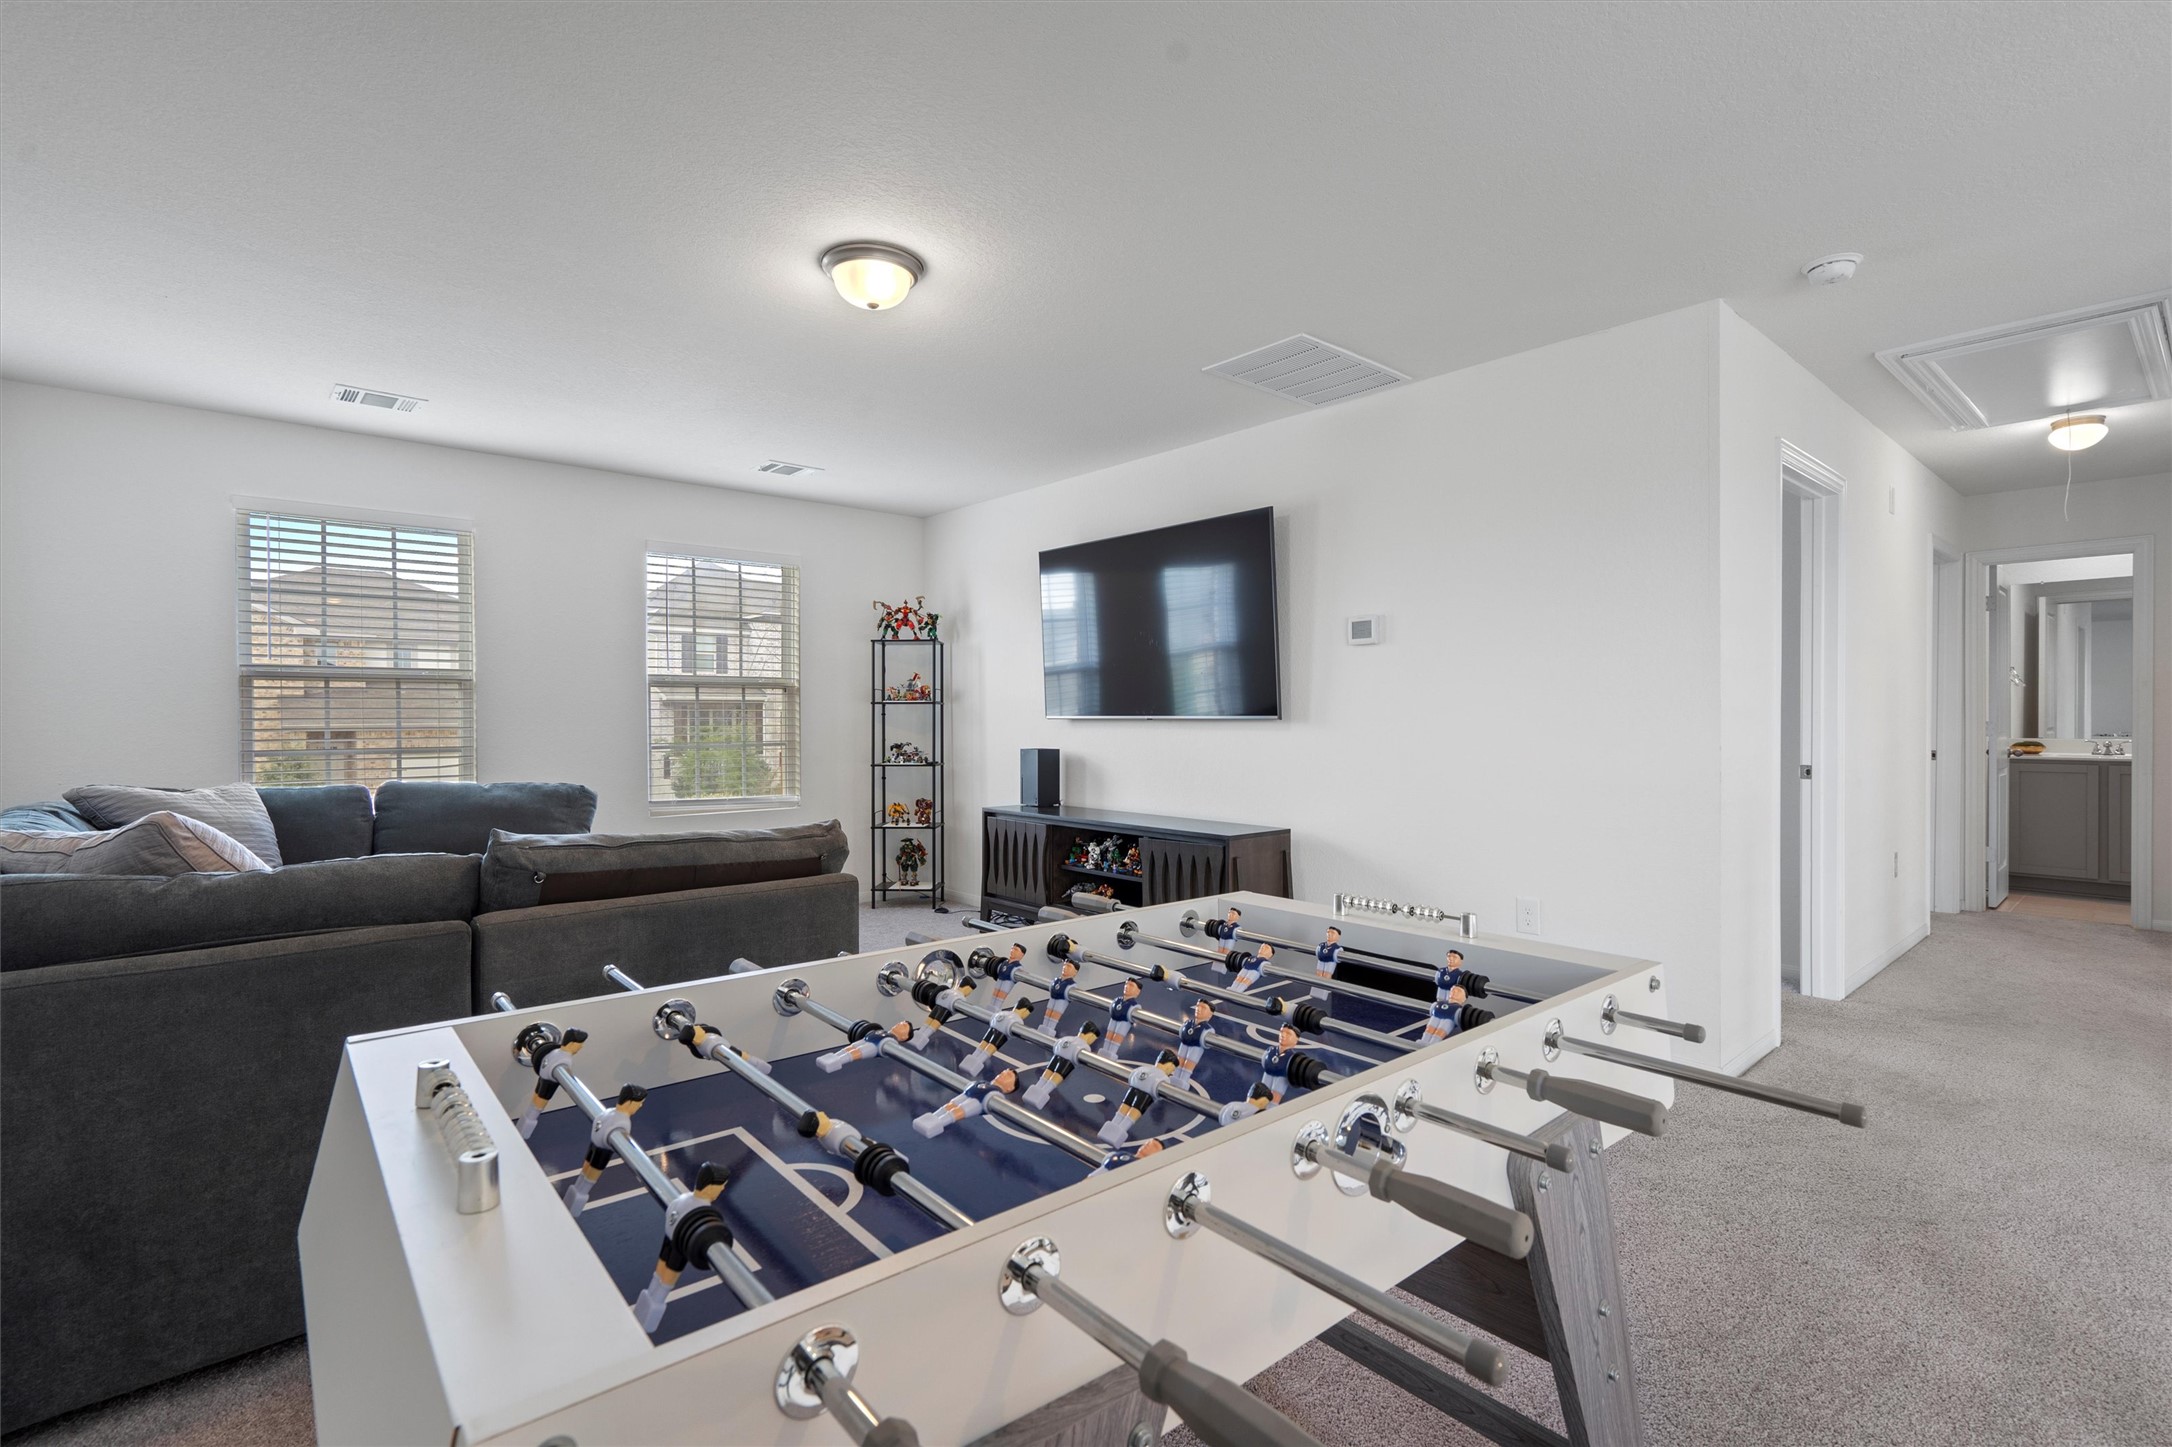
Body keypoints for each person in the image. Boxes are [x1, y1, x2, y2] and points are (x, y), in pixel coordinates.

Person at [631, 1161, 729, 1332]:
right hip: (680, 1241)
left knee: (660, 1272)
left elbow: (671, 1213)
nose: (722, 1189)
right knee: (668, 1276)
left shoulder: (682, 1199)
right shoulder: (704, 1210)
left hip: (670, 1236)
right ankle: (652, 1310)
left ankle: (647, 1305)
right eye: (721, 1185)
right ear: (710, 1187)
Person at [564, 1084, 647, 1214]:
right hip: (603, 1150)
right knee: (588, 1178)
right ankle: (575, 1203)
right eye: (639, 1103)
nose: (640, 1106)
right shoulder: (623, 1122)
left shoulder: (608, 1111)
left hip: (594, 1143)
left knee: (585, 1173)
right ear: (629, 1102)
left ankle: (573, 1197)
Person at [518, 1027, 587, 1139]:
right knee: (538, 1104)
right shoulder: (562, 1058)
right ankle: (522, 1132)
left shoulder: (561, 1055)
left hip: (547, 1074)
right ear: (571, 1044)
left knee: (536, 1102)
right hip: (550, 1078)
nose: (581, 1047)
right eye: (579, 1044)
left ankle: (523, 1130)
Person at [1098, 1051, 1178, 1145]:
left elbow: (1132, 1076)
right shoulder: (1164, 1078)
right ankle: (1120, 1130)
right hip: (1146, 1095)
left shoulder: (1143, 1068)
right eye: (1172, 1069)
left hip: (1133, 1089)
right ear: (1169, 1065)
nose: (1171, 1072)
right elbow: (1161, 1092)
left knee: (1123, 1109)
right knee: (1133, 1113)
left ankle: (1111, 1129)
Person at [913, 1068, 1019, 1138]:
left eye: (1008, 1076)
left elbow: (995, 1099)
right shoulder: (985, 1082)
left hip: (980, 1100)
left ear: (1010, 1088)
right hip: (970, 1092)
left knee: (960, 1110)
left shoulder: (996, 1094)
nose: (1002, 1074)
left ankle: (940, 1122)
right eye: (1003, 1073)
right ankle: (933, 1117)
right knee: (951, 1104)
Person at [1023, 1020, 1103, 1108]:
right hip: (1068, 1062)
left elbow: (1056, 1045)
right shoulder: (1085, 1046)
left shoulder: (1067, 1038)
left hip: (1056, 1057)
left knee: (1047, 1073)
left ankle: (1036, 1089)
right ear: (1091, 1035)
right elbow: (1082, 1058)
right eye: (1094, 1038)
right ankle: (1044, 1092)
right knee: (1056, 1077)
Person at [960, 999, 1036, 1080]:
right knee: (990, 1048)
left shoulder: (1004, 1012)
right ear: (1025, 1010)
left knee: (983, 1044)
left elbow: (993, 1017)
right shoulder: (1018, 1020)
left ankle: (971, 1060)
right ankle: (978, 1062)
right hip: (1003, 1033)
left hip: (993, 1027)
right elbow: (1021, 1032)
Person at [817, 1019, 913, 1072]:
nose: (899, 1024)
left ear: (904, 1036)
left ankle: (839, 1061)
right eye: (900, 1023)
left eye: (903, 1026)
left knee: (857, 1052)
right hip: (867, 1038)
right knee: (852, 1047)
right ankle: (834, 1056)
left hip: (876, 1046)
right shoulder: (885, 1032)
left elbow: (895, 1049)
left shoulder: (892, 1041)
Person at [1172, 998, 1216, 1088]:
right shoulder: (1188, 1023)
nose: (1198, 1009)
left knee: (1189, 1063)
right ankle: (1175, 1077)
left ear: (1210, 1014)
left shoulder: (1207, 1029)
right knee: (1180, 1061)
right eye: (1198, 1006)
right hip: (1184, 1043)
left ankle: (1183, 1080)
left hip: (1196, 1046)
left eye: (1203, 1008)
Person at [1257, 1024, 1300, 1103]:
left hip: (1281, 1077)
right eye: (1281, 1032)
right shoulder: (1270, 1051)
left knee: (1276, 1092)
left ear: (1296, 1040)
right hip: (1268, 1073)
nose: (1283, 1035)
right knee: (1262, 1089)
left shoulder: (1292, 1057)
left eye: (1288, 1034)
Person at [1104, 977, 1145, 1054]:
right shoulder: (1117, 1000)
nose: (1127, 987)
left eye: (1131, 985)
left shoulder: (1134, 1005)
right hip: (1113, 1019)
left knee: (1117, 1037)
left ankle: (1111, 1053)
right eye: (1126, 984)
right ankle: (1104, 1050)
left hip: (1124, 1021)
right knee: (1109, 1035)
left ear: (1138, 991)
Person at [1092, 1137, 1166, 1174]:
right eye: (1148, 1142)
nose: (1148, 1144)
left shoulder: (1144, 1173)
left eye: (1155, 1146)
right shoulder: (1118, 1155)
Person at [988, 942, 1029, 1008]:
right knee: (994, 995)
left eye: (1016, 950)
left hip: (1007, 981)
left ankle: (996, 1009)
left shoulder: (1018, 967)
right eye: (1012, 948)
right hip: (1000, 979)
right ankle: (990, 1008)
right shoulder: (1005, 962)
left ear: (1022, 955)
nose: (1012, 951)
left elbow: (1024, 975)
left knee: (999, 998)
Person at [1043, 957, 1080, 1030]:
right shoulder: (1057, 980)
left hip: (1061, 1000)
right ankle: (1043, 1027)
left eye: (1069, 966)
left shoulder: (1071, 984)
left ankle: (1050, 1029)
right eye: (1064, 965)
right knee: (1048, 1012)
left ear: (1075, 972)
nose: (1065, 968)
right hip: (1053, 998)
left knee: (1055, 1014)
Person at [1311, 926, 1344, 1001]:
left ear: (1338, 936)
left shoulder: (1338, 948)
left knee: (1326, 975)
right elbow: (1317, 952)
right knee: (1318, 974)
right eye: (1328, 932)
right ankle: (1316, 992)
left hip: (1330, 962)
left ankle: (1323, 993)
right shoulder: (1321, 945)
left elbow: (1338, 956)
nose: (1329, 934)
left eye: (1333, 933)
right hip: (1321, 960)